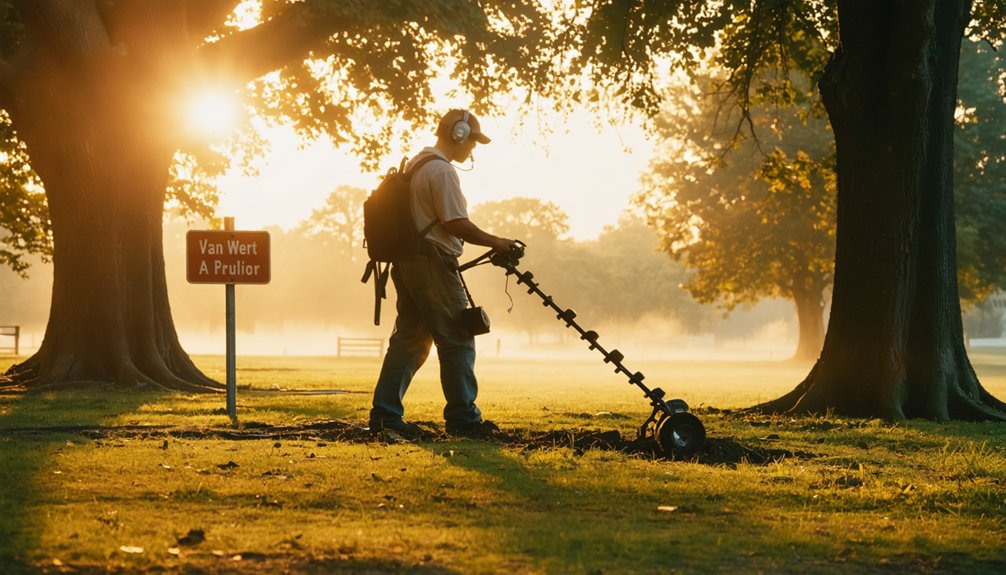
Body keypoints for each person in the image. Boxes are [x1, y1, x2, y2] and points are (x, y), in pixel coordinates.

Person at [369, 109, 515, 440]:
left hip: (407, 263)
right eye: (471, 141)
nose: (472, 149)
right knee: (458, 340)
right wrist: (496, 242)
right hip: (432, 263)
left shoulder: (417, 165)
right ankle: (464, 420)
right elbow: (454, 222)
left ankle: (385, 415)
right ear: (457, 134)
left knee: (409, 341)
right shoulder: (440, 172)